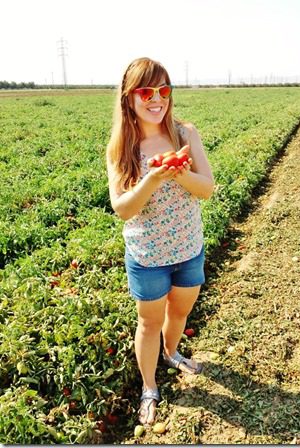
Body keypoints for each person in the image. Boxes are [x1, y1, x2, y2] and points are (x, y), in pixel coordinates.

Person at [106, 57, 214, 425]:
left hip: (188, 248)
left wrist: (180, 174)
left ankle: (172, 353)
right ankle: (149, 387)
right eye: (146, 91)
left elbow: (207, 189)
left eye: (164, 90)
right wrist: (152, 178)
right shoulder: (122, 147)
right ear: (129, 97)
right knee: (149, 322)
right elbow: (122, 208)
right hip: (148, 255)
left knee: (180, 312)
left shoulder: (185, 134)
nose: (157, 98)